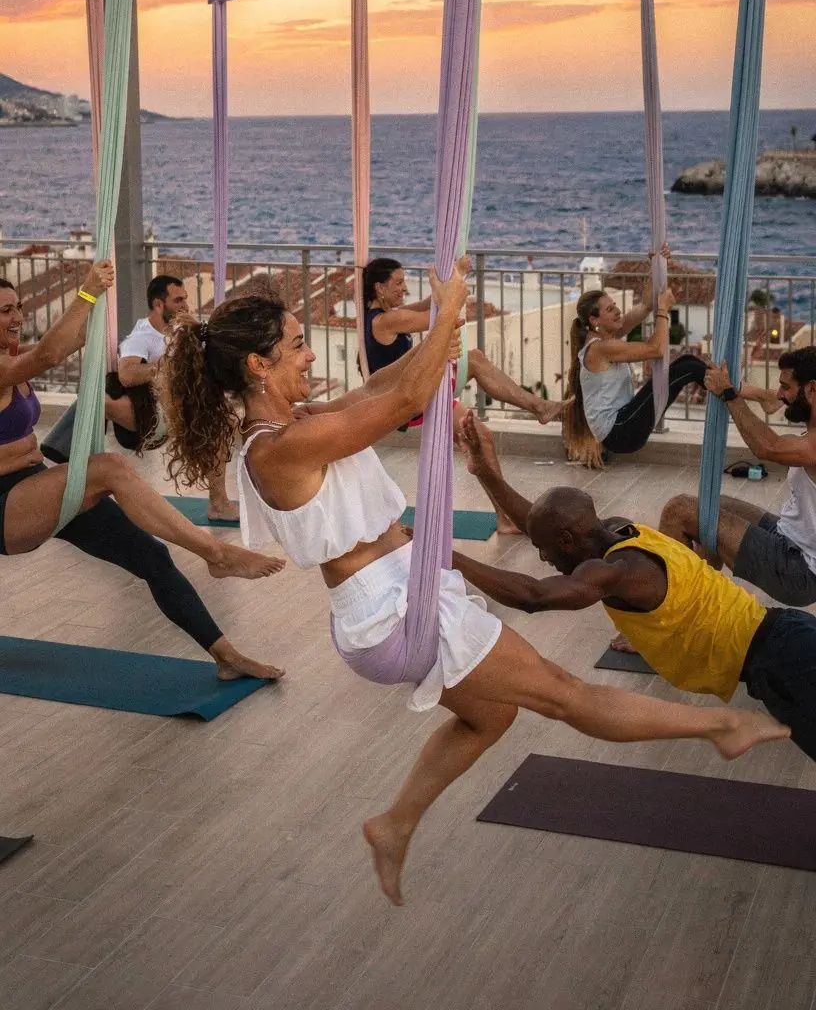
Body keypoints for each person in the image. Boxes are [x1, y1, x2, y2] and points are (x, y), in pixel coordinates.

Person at [162, 266, 786, 907]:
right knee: (563, 693)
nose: (311, 351)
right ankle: (720, 729)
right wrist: (451, 309)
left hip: (395, 599)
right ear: (259, 367)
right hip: (391, 611)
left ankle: (395, 823)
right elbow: (403, 404)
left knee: (490, 715)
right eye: (297, 344)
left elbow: (387, 384)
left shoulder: (302, 420)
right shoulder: (280, 446)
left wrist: (439, 332)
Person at [443, 425, 809, 759]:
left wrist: (448, 557)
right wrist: (487, 473)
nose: (542, 557)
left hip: (779, 661)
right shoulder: (619, 529)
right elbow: (538, 522)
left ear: (568, 541)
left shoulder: (615, 572)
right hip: (781, 640)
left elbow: (533, 597)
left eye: (544, 550)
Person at [0, 265, 285, 681]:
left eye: (18, 307)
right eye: (6, 310)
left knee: (153, 557)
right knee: (111, 467)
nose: (17, 316)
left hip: (36, 486)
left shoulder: (12, 360)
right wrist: (87, 293)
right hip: (6, 508)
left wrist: (96, 317)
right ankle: (216, 553)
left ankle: (226, 656)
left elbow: (68, 340)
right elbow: (49, 354)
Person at [363, 256, 570, 533]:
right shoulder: (388, 321)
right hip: (412, 401)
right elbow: (443, 316)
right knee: (474, 360)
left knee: (481, 438)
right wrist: (450, 278)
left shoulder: (387, 316)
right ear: (379, 288)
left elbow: (432, 305)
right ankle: (539, 407)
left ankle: (505, 517)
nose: (404, 289)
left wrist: (447, 279)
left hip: (422, 392)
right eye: (398, 283)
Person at [44, 274, 237, 524]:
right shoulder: (142, 336)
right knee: (97, 402)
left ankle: (218, 504)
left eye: (185, 299)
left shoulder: (183, 330)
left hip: (177, 415)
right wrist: (170, 365)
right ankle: (62, 463)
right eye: (178, 300)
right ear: (159, 304)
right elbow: (127, 374)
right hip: (147, 421)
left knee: (221, 422)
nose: (185, 305)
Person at [659, 347, 816, 608]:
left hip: (799, 570)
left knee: (678, 510)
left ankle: (666, 616)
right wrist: (742, 389)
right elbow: (773, 407)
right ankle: (693, 606)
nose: (780, 394)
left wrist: (729, 394)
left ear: (811, 389)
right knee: (710, 507)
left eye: (786, 387)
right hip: (788, 535)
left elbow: (769, 447)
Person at [563, 254, 707, 467]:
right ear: (594, 320)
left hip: (623, 423)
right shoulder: (601, 348)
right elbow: (656, 349)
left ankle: (727, 390)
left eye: (615, 305)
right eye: (610, 309)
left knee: (687, 363)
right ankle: (733, 392)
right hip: (620, 430)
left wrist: (657, 264)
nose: (618, 311)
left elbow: (646, 306)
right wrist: (664, 311)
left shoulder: (608, 336)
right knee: (686, 366)